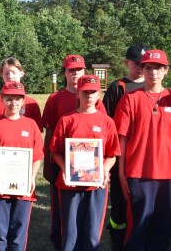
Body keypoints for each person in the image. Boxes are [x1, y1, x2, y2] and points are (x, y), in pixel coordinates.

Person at [41, 54, 106, 250]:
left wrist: (101, 169)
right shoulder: (56, 98)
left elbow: (101, 138)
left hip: (90, 167)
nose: (75, 73)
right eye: (71, 70)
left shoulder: (95, 99)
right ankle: (61, 243)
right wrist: (48, 160)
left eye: (79, 69)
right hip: (63, 163)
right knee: (63, 213)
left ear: (84, 70)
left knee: (87, 216)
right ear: (65, 73)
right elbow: (50, 132)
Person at [50, 75, 120, 251]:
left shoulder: (106, 122)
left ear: (98, 94)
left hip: (96, 185)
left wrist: (104, 169)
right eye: (85, 92)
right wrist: (65, 168)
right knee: (70, 232)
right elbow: (56, 151)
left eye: (93, 92)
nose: (89, 96)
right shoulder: (67, 119)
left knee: (91, 232)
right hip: (70, 185)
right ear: (78, 94)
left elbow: (113, 154)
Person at [0, 81, 43, 251]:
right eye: (9, 99)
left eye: (18, 99)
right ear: (2, 100)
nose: (14, 103)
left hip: (23, 188)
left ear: (23, 101)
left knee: (18, 235)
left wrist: (32, 177)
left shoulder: (31, 125)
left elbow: (37, 156)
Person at [114, 49, 171, 251]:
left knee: (163, 231)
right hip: (138, 175)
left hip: (167, 176)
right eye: (148, 67)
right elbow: (122, 139)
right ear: (142, 69)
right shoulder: (130, 99)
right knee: (137, 230)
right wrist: (121, 174)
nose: (152, 72)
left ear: (166, 71)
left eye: (158, 68)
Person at [102, 43, 147, 251]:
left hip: (146, 161)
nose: (140, 68)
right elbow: (106, 124)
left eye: (144, 64)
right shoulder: (117, 87)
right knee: (119, 207)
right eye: (137, 63)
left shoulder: (153, 89)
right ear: (126, 62)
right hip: (121, 159)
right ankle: (118, 243)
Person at [0, 57, 43, 132]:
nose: (10, 76)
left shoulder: (32, 104)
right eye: (6, 73)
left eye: (13, 72)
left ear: (22, 73)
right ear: (1, 75)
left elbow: (36, 133)